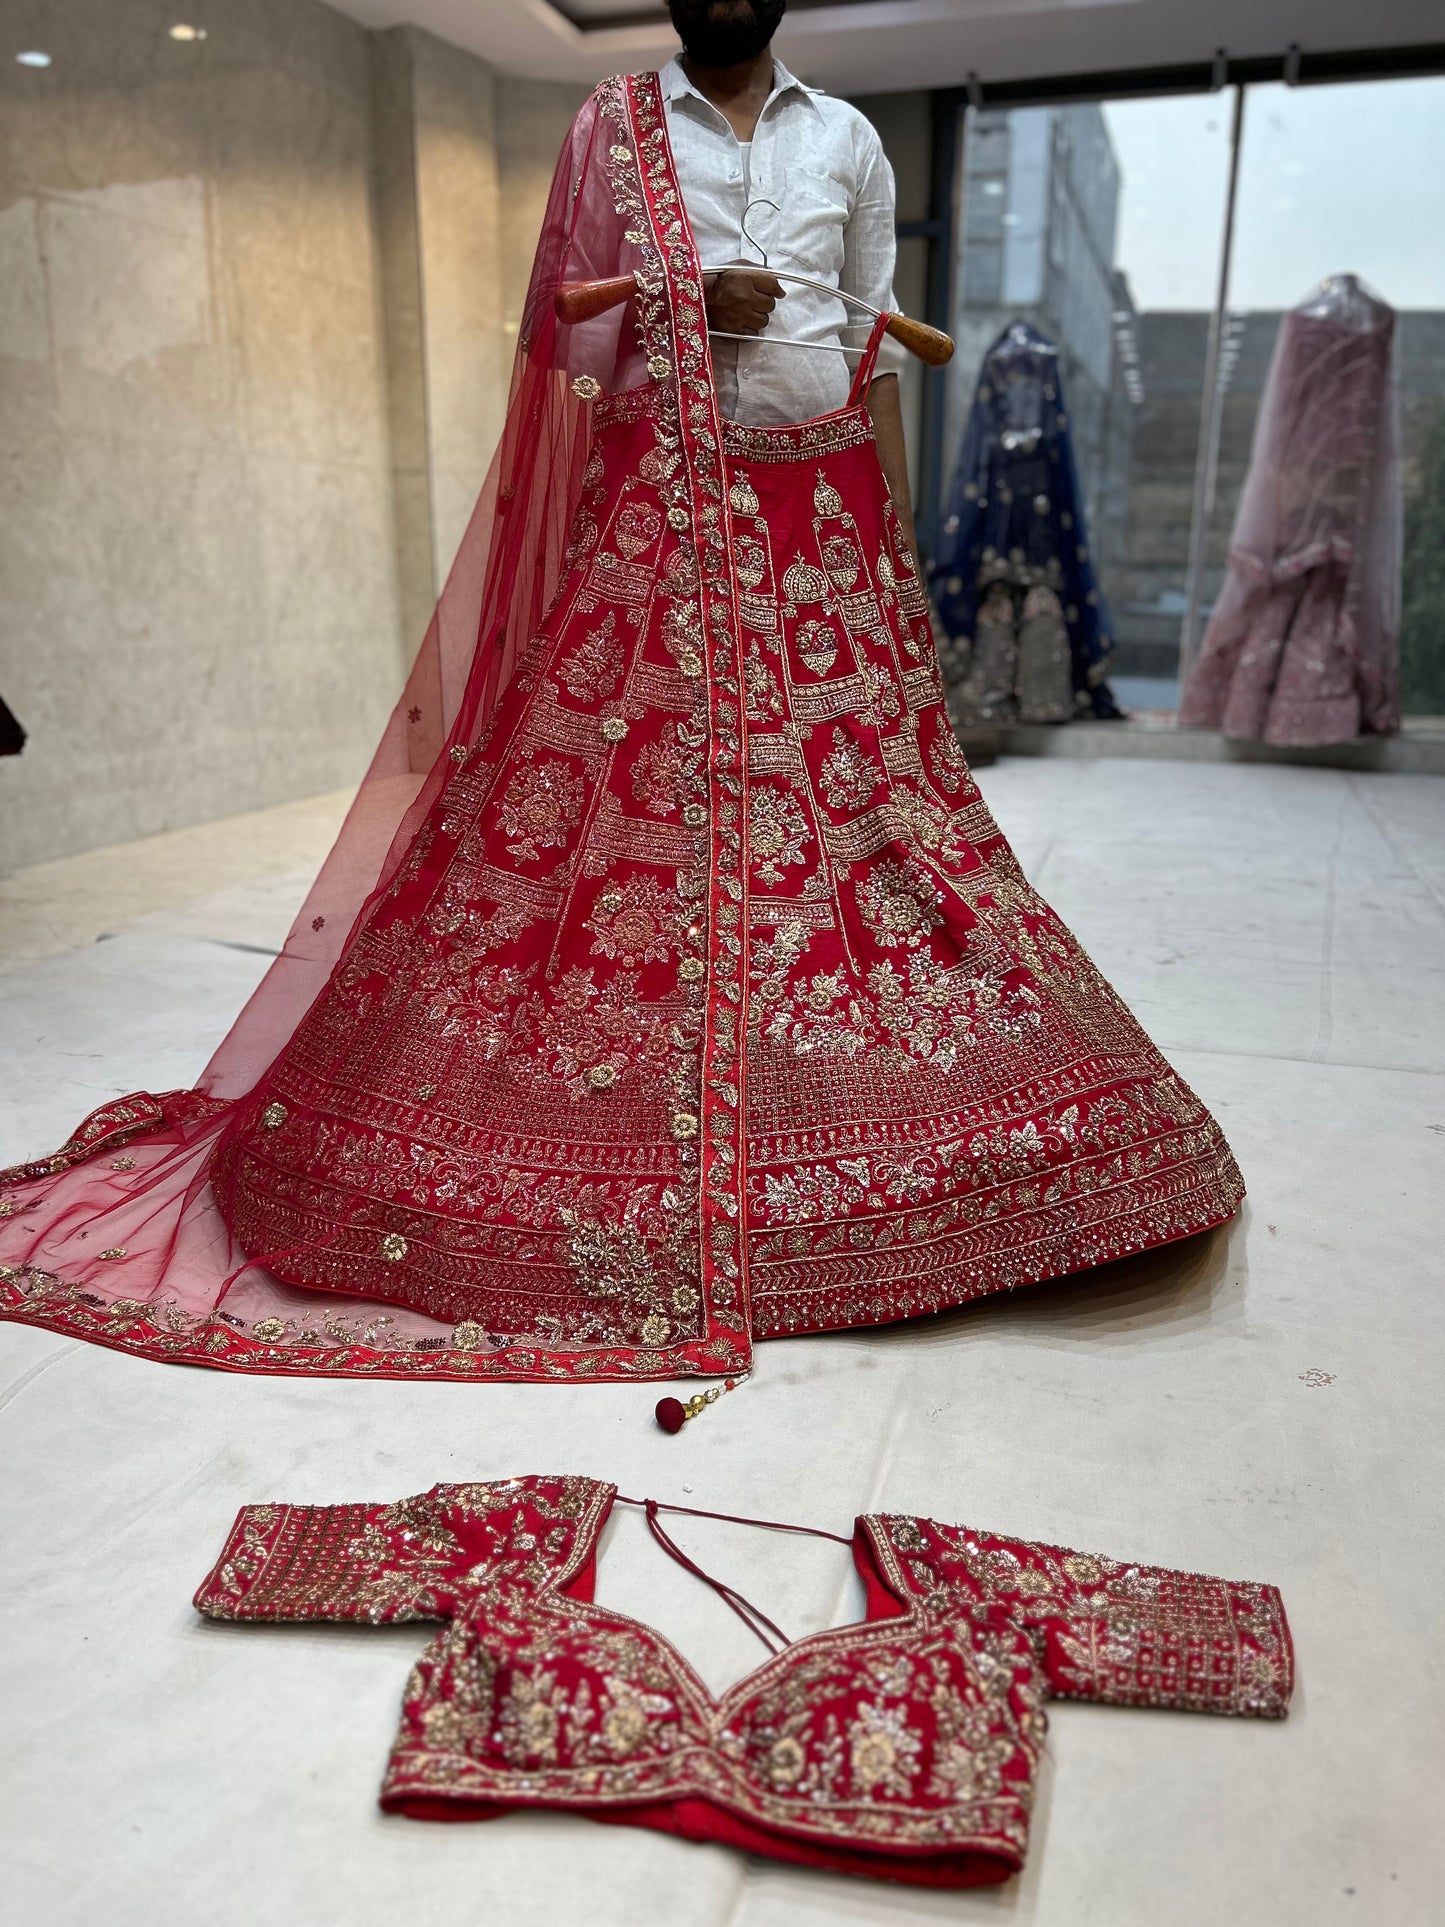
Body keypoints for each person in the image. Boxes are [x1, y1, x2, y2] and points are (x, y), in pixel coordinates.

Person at [0, 4, 1243, 1402]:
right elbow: (562, 336)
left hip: (813, 517)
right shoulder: (610, 123)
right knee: (587, 832)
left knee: (871, 820)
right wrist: (677, 306)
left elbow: (869, 348)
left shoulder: (846, 139)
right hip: (657, 513)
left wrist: (882, 551)